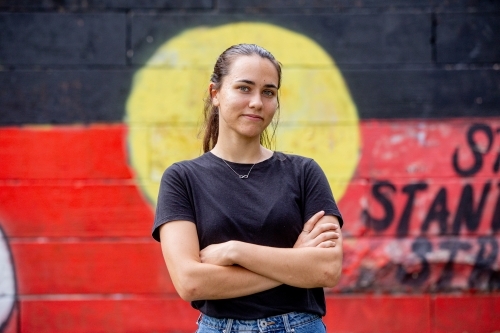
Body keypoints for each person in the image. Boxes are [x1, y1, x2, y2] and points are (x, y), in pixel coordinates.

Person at [152, 43, 343, 333]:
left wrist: (234, 252)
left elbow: (327, 269)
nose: (257, 102)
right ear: (215, 94)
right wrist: (294, 260)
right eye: (244, 88)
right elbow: (190, 282)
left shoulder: (304, 172)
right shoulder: (182, 179)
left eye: (268, 92)